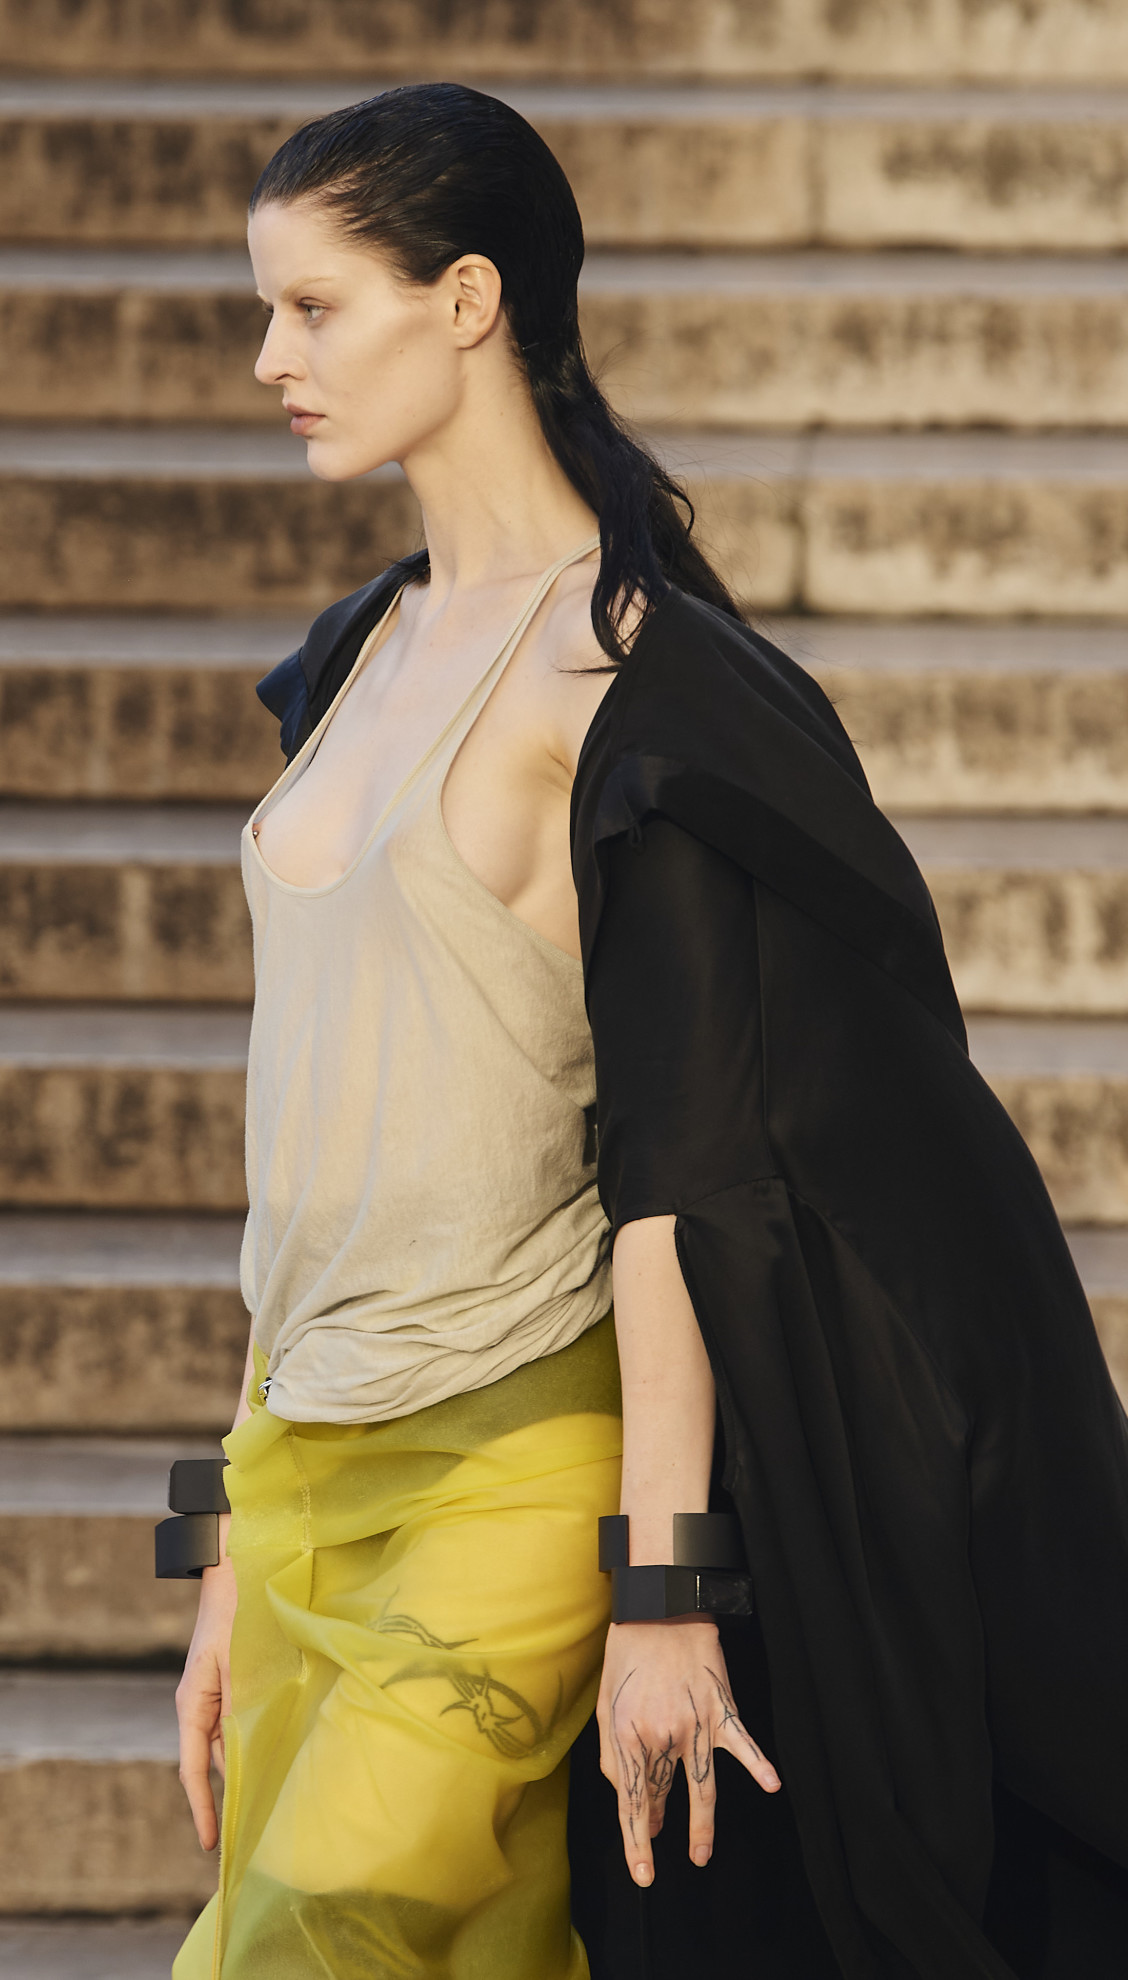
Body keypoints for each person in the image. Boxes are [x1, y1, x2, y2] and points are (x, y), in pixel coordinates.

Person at [170, 83, 1128, 1980]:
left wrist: (662, 1590)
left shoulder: (626, 682)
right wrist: (221, 1531)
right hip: (304, 1462)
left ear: (467, 300)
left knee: (293, 1953)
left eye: (313, 307)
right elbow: (305, 1130)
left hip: (515, 1457)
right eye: (268, 310)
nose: (269, 357)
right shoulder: (354, 656)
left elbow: (692, 1175)